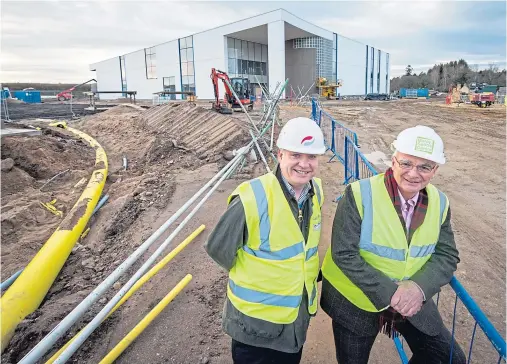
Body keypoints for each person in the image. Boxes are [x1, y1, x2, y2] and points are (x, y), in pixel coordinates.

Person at [320, 125, 466, 364]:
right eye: (406, 163)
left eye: (424, 167)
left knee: (449, 359)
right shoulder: (359, 194)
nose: (413, 173)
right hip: (356, 299)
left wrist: (418, 289)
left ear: (435, 170)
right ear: (393, 161)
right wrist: (394, 293)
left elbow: (447, 254)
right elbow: (343, 253)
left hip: (410, 299)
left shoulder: (440, 202)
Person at [205, 117, 326, 364]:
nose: (304, 164)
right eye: (296, 155)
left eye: (311, 157)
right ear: (280, 155)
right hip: (254, 329)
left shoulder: (316, 193)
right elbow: (218, 249)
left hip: (294, 325)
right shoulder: (252, 197)